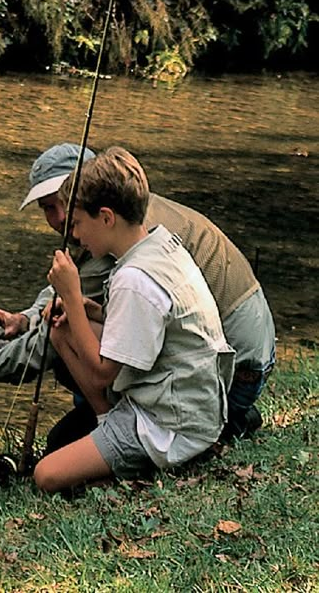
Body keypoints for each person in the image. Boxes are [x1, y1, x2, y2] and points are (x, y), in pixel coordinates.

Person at [0, 141, 275, 445]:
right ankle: (219, 417)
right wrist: (25, 318)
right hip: (226, 358)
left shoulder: (124, 243)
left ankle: (228, 420)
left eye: (57, 206)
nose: (54, 221)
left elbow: (47, 342)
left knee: (63, 425)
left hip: (233, 372)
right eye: (45, 209)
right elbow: (63, 296)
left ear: (89, 200)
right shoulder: (124, 210)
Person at [33, 147, 235, 492]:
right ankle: (107, 427)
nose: (76, 236)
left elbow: (100, 373)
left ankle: (125, 460)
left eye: (78, 223)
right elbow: (145, 321)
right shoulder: (159, 243)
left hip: (170, 425)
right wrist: (87, 309)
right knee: (62, 329)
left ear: (107, 217)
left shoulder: (135, 278)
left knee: (46, 475)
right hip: (191, 403)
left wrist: (70, 294)